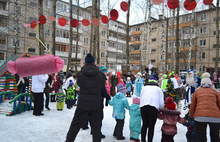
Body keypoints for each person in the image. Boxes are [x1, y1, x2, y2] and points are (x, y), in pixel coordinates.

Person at [65, 53, 106, 142]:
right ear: (94, 63)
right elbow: (102, 86)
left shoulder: (79, 75)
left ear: (85, 63)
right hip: (95, 104)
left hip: (83, 103)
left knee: (75, 126)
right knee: (96, 128)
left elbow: (79, 84)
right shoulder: (101, 75)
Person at [189, 72, 220, 142]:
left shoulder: (197, 92)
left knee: (201, 137)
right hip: (215, 117)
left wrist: (191, 115)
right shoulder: (215, 92)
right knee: (215, 136)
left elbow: (193, 105)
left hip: (200, 117)